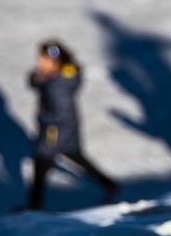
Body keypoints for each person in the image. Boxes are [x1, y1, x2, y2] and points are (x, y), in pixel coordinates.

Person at [26, 41, 118, 211]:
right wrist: (40, 77)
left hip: (54, 130)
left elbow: (62, 111)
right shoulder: (56, 77)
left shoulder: (57, 84)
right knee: (74, 155)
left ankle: (34, 207)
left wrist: (45, 120)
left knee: (42, 163)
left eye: (41, 58)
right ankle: (109, 184)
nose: (38, 61)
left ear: (52, 60)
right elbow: (34, 82)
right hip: (65, 127)